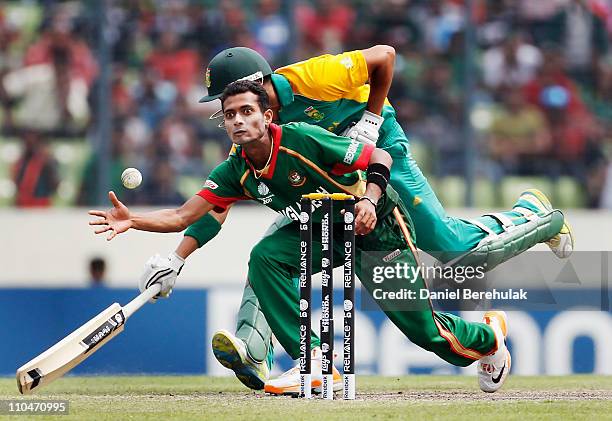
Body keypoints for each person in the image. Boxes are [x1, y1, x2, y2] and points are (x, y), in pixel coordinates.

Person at [137, 46, 574, 391]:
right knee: (273, 251)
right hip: (335, 205)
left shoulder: (310, 77)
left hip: (376, 157)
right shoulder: (252, 141)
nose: (229, 112)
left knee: (453, 249)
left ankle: (533, 215)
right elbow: (213, 206)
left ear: (260, 90)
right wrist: (176, 257)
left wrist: (369, 119)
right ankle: (267, 350)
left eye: (235, 102)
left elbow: (384, 57)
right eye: (225, 108)